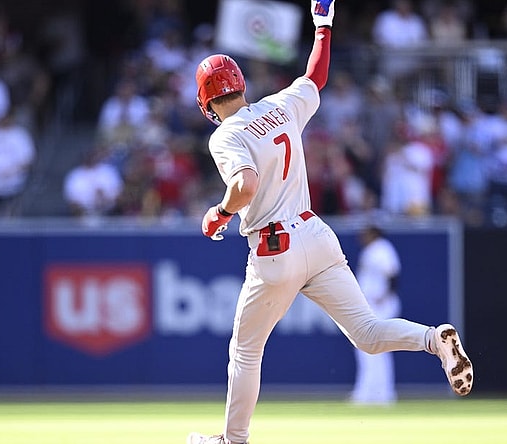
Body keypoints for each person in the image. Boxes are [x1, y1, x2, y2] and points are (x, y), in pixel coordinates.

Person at [187, 2, 473, 444]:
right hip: (316, 234)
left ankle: (233, 440)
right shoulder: (280, 107)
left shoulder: (225, 135)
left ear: (207, 101)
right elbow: (316, 77)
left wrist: (218, 213)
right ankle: (435, 340)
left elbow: (244, 184)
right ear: (241, 85)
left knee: (245, 351)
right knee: (369, 333)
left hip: (274, 248)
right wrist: (323, 24)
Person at [350, 225, 402, 405]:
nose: (362, 236)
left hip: (380, 305)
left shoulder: (382, 248)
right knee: (369, 350)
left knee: (376, 349)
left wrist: (384, 296)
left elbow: (393, 276)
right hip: (371, 305)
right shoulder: (372, 250)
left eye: (365, 232)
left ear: (374, 233)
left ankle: (380, 394)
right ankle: (372, 393)